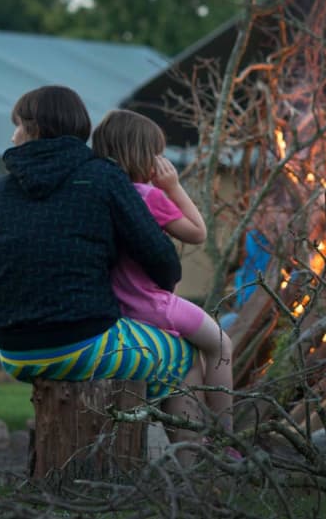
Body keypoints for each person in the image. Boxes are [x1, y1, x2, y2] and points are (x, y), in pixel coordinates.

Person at [0, 86, 199, 439]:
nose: (13, 135)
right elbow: (161, 259)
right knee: (184, 355)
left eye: (18, 125)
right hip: (82, 343)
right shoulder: (103, 177)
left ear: (36, 128)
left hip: (12, 349)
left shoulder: (3, 188)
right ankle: (194, 474)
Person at [91, 109, 234, 433]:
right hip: (153, 304)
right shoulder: (148, 196)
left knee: (188, 360)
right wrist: (173, 186)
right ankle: (227, 435)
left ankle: (198, 440)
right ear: (142, 154)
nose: (161, 158)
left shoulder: (100, 195)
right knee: (222, 345)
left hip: (120, 305)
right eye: (157, 152)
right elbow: (197, 232)